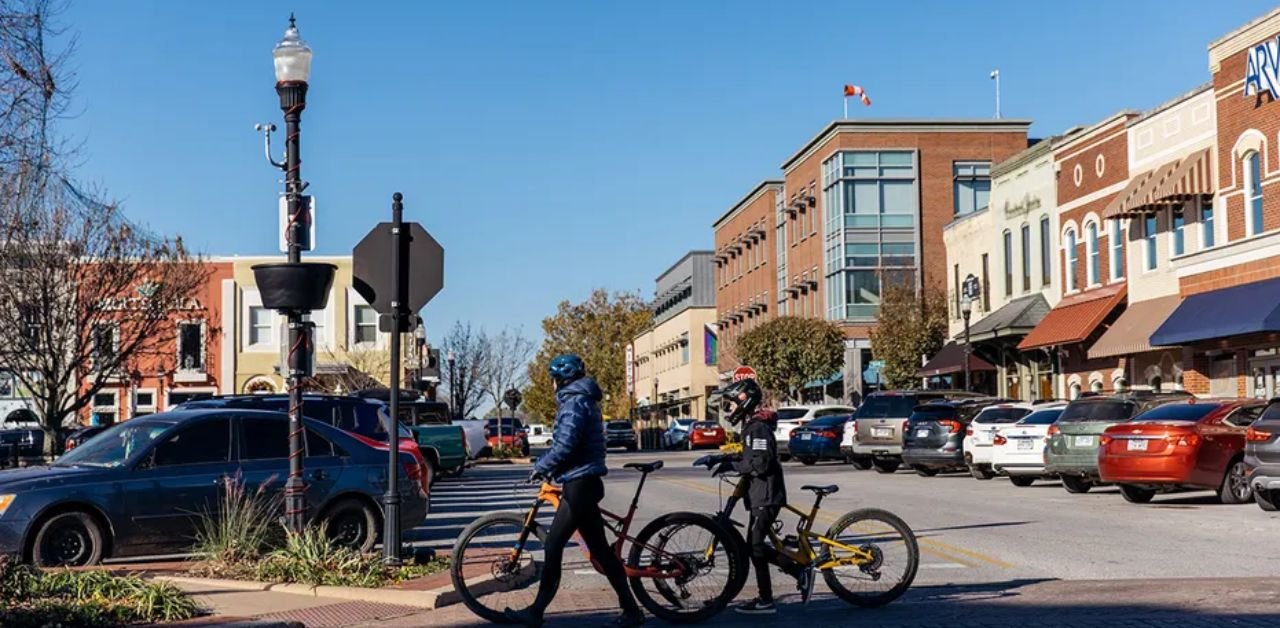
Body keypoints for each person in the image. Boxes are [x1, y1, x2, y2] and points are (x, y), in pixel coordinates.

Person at [504, 354, 644, 628]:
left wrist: (542, 466)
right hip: (583, 482)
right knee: (602, 553)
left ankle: (535, 613)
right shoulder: (582, 399)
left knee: (554, 544)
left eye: (554, 379)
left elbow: (566, 444)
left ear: (561, 379)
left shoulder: (575, 403)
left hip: (580, 485)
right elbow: (569, 443)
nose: (553, 384)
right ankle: (631, 611)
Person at [718, 377, 812, 614]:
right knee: (755, 546)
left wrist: (734, 466)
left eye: (730, 403)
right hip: (760, 494)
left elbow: (760, 464)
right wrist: (723, 459)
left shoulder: (757, 427)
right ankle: (789, 578)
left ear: (744, 400)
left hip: (767, 495)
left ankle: (779, 589)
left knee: (756, 547)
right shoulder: (752, 426)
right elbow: (751, 459)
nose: (728, 409)